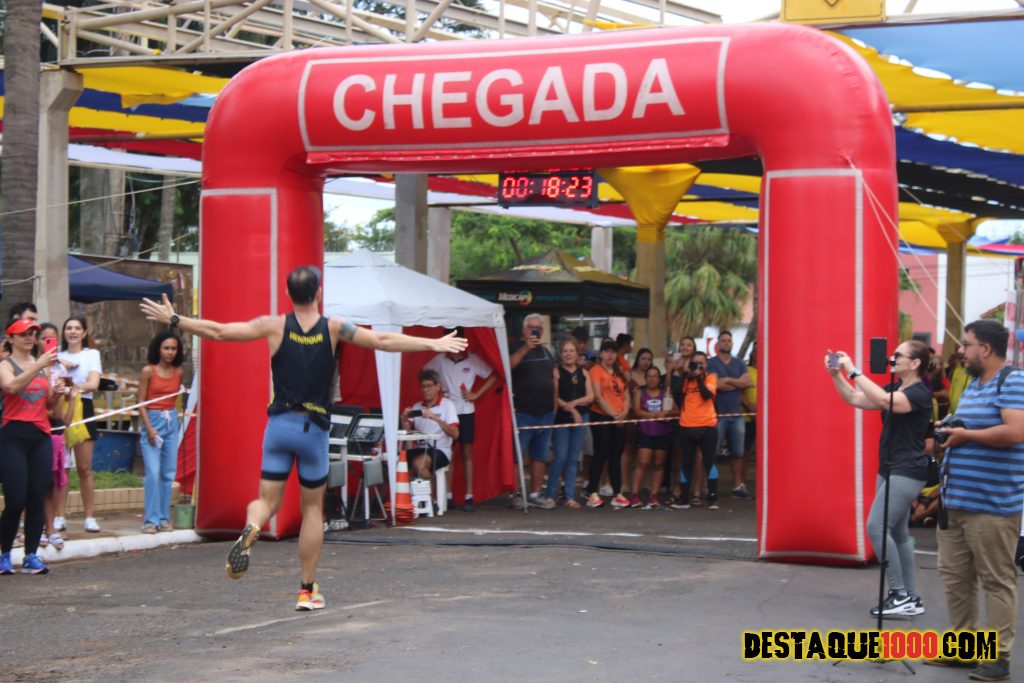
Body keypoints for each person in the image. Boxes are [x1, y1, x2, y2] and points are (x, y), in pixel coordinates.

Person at [140, 266, 466, 611]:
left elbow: (219, 331)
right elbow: (382, 341)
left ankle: (252, 526)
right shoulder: (334, 327)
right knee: (312, 509)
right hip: (314, 431)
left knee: (266, 500)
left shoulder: (273, 325)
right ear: (319, 293)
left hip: (279, 427)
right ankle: (307, 591)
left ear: (288, 294)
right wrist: (432, 342)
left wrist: (175, 319)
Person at [930, 320, 1024, 679]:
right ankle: (964, 648)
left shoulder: (1012, 381)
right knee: (956, 578)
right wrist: (950, 433)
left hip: (992, 505)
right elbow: (969, 429)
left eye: (966, 344)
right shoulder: (973, 384)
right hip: (956, 501)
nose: (960, 350)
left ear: (985, 348)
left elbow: (1015, 432)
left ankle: (999, 658)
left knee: (997, 580)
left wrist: (966, 436)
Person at [828, 340, 932, 618]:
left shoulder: (919, 393)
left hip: (907, 469)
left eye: (898, 355)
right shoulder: (894, 388)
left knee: (876, 526)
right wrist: (836, 375)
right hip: (889, 467)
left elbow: (886, 402)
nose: (892, 358)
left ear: (915, 363)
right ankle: (911, 598)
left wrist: (854, 371)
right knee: (899, 535)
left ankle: (899, 593)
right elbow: (855, 399)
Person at [0, 318, 61, 575]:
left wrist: (57, 393)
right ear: (11, 338)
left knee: (37, 498)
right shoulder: (5, 365)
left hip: (40, 437)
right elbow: (11, 387)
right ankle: (4, 555)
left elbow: (48, 405)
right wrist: (38, 365)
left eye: (32, 333)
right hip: (13, 436)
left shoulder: (42, 365)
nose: (29, 338)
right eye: (23, 333)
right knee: (15, 500)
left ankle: (31, 556)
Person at [424, 329, 496, 512]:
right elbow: (425, 373)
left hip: (466, 410)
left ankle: (469, 496)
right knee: (449, 452)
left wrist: (476, 394)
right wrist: (438, 391)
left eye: (459, 340)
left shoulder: (472, 359)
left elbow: (494, 374)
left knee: (467, 452)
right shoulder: (440, 359)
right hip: (447, 411)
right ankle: (447, 495)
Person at [137, 331, 185, 533]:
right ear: (158, 349)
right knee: (153, 473)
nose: (170, 352)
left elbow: (176, 400)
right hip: (152, 420)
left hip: (171, 420)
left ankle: (164, 518)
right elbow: (140, 403)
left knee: (168, 473)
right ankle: (150, 521)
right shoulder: (148, 371)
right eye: (166, 348)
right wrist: (149, 428)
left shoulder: (178, 372)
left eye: (173, 348)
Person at [58, 316, 103, 533]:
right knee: (62, 467)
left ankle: (89, 517)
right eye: (69, 328)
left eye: (77, 328)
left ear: (84, 332)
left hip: (83, 407)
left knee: (84, 468)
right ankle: (59, 515)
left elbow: (93, 384)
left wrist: (72, 388)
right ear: (64, 332)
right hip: (60, 407)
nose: (73, 332)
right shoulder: (56, 356)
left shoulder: (92, 354)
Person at [509, 314, 557, 510]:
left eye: (539, 328)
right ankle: (515, 494)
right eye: (532, 327)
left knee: (540, 456)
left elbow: (553, 377)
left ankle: (535, 494)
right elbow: (508, 366)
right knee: (518, 456)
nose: (535, 331)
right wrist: (525, 348)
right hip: (524, 413)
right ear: (524, 329)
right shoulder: (516, 348)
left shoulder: (546, 351)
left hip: (546, 413)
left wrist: (554, 405)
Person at [706, 331, 753, 500]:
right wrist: (736, 382)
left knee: (738, 452)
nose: (726, 343)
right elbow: (715, 385)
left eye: (729, 341)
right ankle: (709, 485)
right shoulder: (711, 363)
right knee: (712, 451)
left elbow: (748, 382)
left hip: (736, 414)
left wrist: (728, 380)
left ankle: (738, 486)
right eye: (723, 341)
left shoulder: (739, 363)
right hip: (717, 414)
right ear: (718, 344)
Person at [585, 339, 631, 508]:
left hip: (619, 418)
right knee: (601, 453)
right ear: (601, 354)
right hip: (602, 417)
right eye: (606, 351)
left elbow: (626, 397)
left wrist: (623, 414)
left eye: (613, 352)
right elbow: (598, 397)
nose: (610, 355)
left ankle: (617, 493)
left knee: (616, 455)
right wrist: (613, 415)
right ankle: (592, 493)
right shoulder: (595, 371)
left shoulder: (620, 373)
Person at [548, 340, 594, 508]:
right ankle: (550, 494)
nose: (568, 354)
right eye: (565, 351)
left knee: (573, 459)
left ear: (577, 354)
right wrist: (573, 410)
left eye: (571, 351)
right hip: (562, 419)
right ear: (561, 354)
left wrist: (574, 404)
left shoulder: (584, 372)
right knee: (560, 457)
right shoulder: (556, 371)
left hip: (581, 419)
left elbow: (591, 396)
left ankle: (569, 497)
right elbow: (554, 396)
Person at [671, 352, 719, 510]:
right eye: (695, 363)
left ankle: (713, 498)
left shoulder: (711, 377)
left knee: (709, 461)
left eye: (701, 363)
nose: (698, 366)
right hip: (687, 425)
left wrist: (698, 378)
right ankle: (684, 499)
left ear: (706, 365)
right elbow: (675, 392)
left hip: (707, 425)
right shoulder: (686, 379)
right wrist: (685, 374)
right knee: (687, 463)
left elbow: (707, 395)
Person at [401, 369, 459, 480]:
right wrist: (404, 418)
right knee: (392, 460)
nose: (425, 390)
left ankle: (428, 492)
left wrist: (435, 418)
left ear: (438, 387)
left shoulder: (447, 405)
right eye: (423, 386)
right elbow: (406, 431)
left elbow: (455, 434)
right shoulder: (417, 406)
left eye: (429, 386)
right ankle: (402, 491)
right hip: (421, 449)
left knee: (419, 462)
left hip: (441, 450)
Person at [631, 366, 674, 509]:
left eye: (655, 376)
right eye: (649, 376)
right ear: (645, 378)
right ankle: (635, 495)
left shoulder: (665, 394)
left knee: (659, 464)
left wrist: (665, 414)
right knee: (642, 463)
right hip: (645, 432)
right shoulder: (640, 392)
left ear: (659, 379)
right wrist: (655, 415)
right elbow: (637, 410)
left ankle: (654, 495)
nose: (652, 379)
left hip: (663, 432)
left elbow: (676, 410)